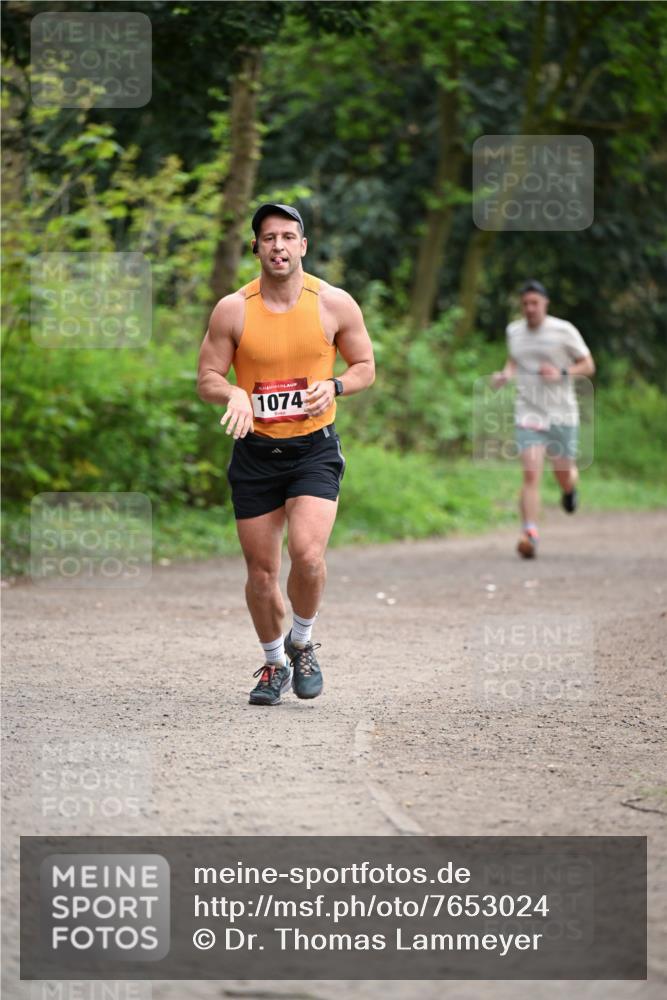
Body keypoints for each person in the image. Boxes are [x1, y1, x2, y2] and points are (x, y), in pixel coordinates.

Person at [197, 204, 375, 704]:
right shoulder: (233, 309)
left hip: (313, 451)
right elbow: (207, 376)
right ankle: (275, 663)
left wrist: (336, 385)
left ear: (303, 246)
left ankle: (303, 640)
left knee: (309, 556)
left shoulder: (334, 303)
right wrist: (233, 393)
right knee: (260, 574)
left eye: (288, 236)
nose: (278, 245)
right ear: (255, 247)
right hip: (255, 454)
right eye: (268, 237)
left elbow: (365, 365)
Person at [491, 279, 595, 559]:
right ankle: (530, 533)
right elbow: (514, 360)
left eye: (535, 303)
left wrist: (562, 373)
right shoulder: (514, 331)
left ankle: (570, 488)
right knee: (530, 473)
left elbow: (588, 364)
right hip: (528, 411)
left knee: (563, 474)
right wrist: (505, 375)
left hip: (561, 412)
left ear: (545, 304)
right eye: (525, 304)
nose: (530, 309)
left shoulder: (564, 331)